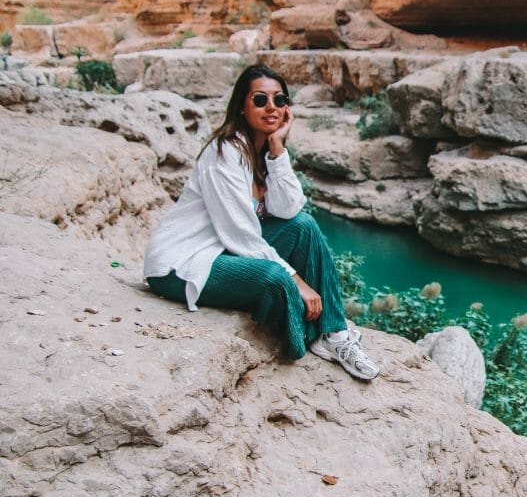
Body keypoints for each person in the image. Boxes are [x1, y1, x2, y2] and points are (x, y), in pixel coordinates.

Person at [143, 64, 379, 380]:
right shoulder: (224, 152)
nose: (271, 108)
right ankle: (308, 338)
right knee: (275, 278)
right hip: (182, 263)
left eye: (279, 100)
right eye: (260, 100)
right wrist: (298, 281)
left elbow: (289, 208)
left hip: (221, 250)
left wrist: (278, 148)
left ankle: (334, 335)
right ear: (241, 106)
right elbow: (241, 234)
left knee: (304, 226)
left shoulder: (263, 151)